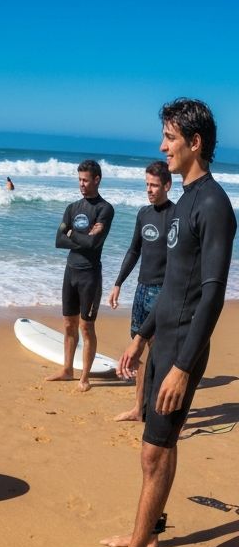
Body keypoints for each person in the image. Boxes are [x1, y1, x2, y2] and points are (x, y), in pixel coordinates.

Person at [88, 98, 235, 547]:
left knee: (156, 450)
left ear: (195, 142)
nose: (162, 146)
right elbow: (173, 285)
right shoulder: (183, 204)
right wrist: (141, 337)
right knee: (154, 448)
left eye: (170, 138)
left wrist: (182, 367)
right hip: (163, 340)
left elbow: (212, 293)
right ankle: (147, 535)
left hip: (182, 350)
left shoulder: (213, 205)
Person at [107, 161, 173, 422]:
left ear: (167, 185)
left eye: (154, 185)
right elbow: (134, 250)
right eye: (147, 184)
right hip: (141, 289)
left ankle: (162, 412)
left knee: (160, 353)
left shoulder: (176, 216)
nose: (149, 190)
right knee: (139, 348)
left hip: (162, 291)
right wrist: (118, 283)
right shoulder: (144, 213)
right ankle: (138, 408)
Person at [46, 159, 114, 392]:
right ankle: (67, 370)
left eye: (85, 180)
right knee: (68, 324)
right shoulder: (72, 208)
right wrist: (82, 237)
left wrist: (72, 233)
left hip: (90, 276)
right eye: (79, 180)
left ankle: (84, 377)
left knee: (86, 327)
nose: (81, 184)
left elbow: (94, 243)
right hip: (71, 272)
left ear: (97, 180)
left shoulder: (105, 209)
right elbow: (58, 240)